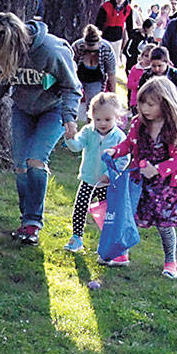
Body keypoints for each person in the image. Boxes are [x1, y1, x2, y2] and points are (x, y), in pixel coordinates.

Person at [0, 12, 82, 246]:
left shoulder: (50, 51)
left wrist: (70, 117)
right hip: (23, 110)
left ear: (8, 44)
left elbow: (71, 86)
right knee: (20, 166)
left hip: (53, 110)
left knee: (36, 160)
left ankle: (33, 222)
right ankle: (25, 219)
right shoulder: (8, 58)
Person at [104, 78, 177, 278]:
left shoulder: (173, 127)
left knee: (164, 224)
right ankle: (121, 254)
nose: (144, 108)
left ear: (166, 103)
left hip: (167, 186)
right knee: (129, 216)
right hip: (139, 182)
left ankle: (171, 261)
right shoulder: (138, 123)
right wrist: (115, 151)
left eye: (150, 104)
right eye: (142, 103)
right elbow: (128, 144)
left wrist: (158, 169)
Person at [62, 92, 126, 254]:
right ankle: (77, 237)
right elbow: (76, 146)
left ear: (116, 118)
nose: (102, 123)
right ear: (91, 117)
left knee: (107, 214)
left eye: (107, 119)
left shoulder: (119, 137)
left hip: (107, 183)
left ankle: (109, 242)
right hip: (89, 179)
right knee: (80, 208)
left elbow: (124, 159)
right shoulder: (88, 131)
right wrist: (69, 138)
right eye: (98, 119)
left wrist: (110, 174)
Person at [71, 24, 116, 122]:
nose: (92, 53)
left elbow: (111, 74)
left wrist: (113, 97)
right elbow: (69, 68)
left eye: (94, 51)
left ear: (99, 44)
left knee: (93, 105)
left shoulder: (107, 50)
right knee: (71, 102)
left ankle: (92, 126)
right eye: (88, 50)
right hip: (77, 76)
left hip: (95, 79)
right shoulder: (77, 47)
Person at [94, 0, 133, 64]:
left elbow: (129, 25)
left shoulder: (128, 9)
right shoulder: (106, 6)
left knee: (114, 60)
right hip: (105, 37)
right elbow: (99, 23)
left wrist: (131, 36)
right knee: (102, 58)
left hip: (118, 38)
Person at [128, 43, 156, 112]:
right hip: (136, 101)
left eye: (150, 56)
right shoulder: (135, 68)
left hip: (150, 101)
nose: (148, 59)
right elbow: (129, 84)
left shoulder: (155, 70)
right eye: (146, 56)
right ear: (142, 56)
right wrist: (141, 83)